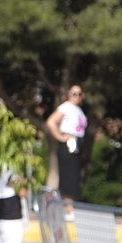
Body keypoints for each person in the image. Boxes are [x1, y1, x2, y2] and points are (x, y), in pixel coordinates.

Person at [44, 84, 87, 215]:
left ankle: (70, 207)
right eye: (74, 93)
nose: (77, 96)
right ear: (69, 94)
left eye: (79, 94)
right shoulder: (65, 107)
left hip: (77, 145)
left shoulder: (79, 110)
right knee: (68, 176)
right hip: (69, 144)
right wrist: (60, 138)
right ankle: (67, 209)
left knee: (74, 176)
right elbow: (51, 122)